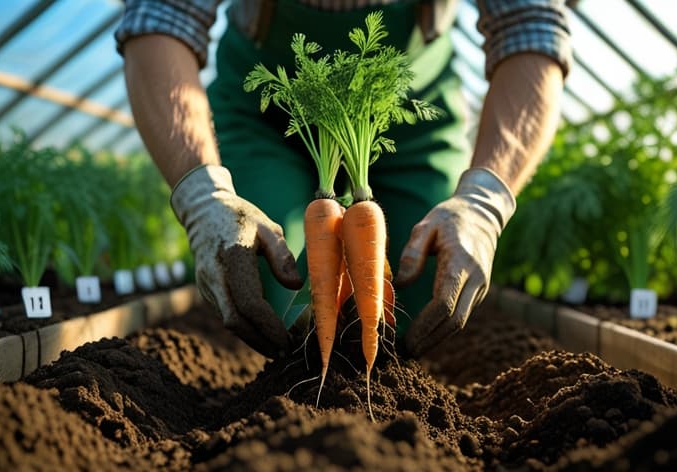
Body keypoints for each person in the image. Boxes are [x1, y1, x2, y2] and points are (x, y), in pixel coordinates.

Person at [117, 0, 569, 358]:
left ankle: (374, 375)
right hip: (269, 116)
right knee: (267, 289)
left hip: (408, 117)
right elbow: (164, 15)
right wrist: (203, 197)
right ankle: (310, 377)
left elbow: (530, 25)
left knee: (426, 298)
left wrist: (483, 205)